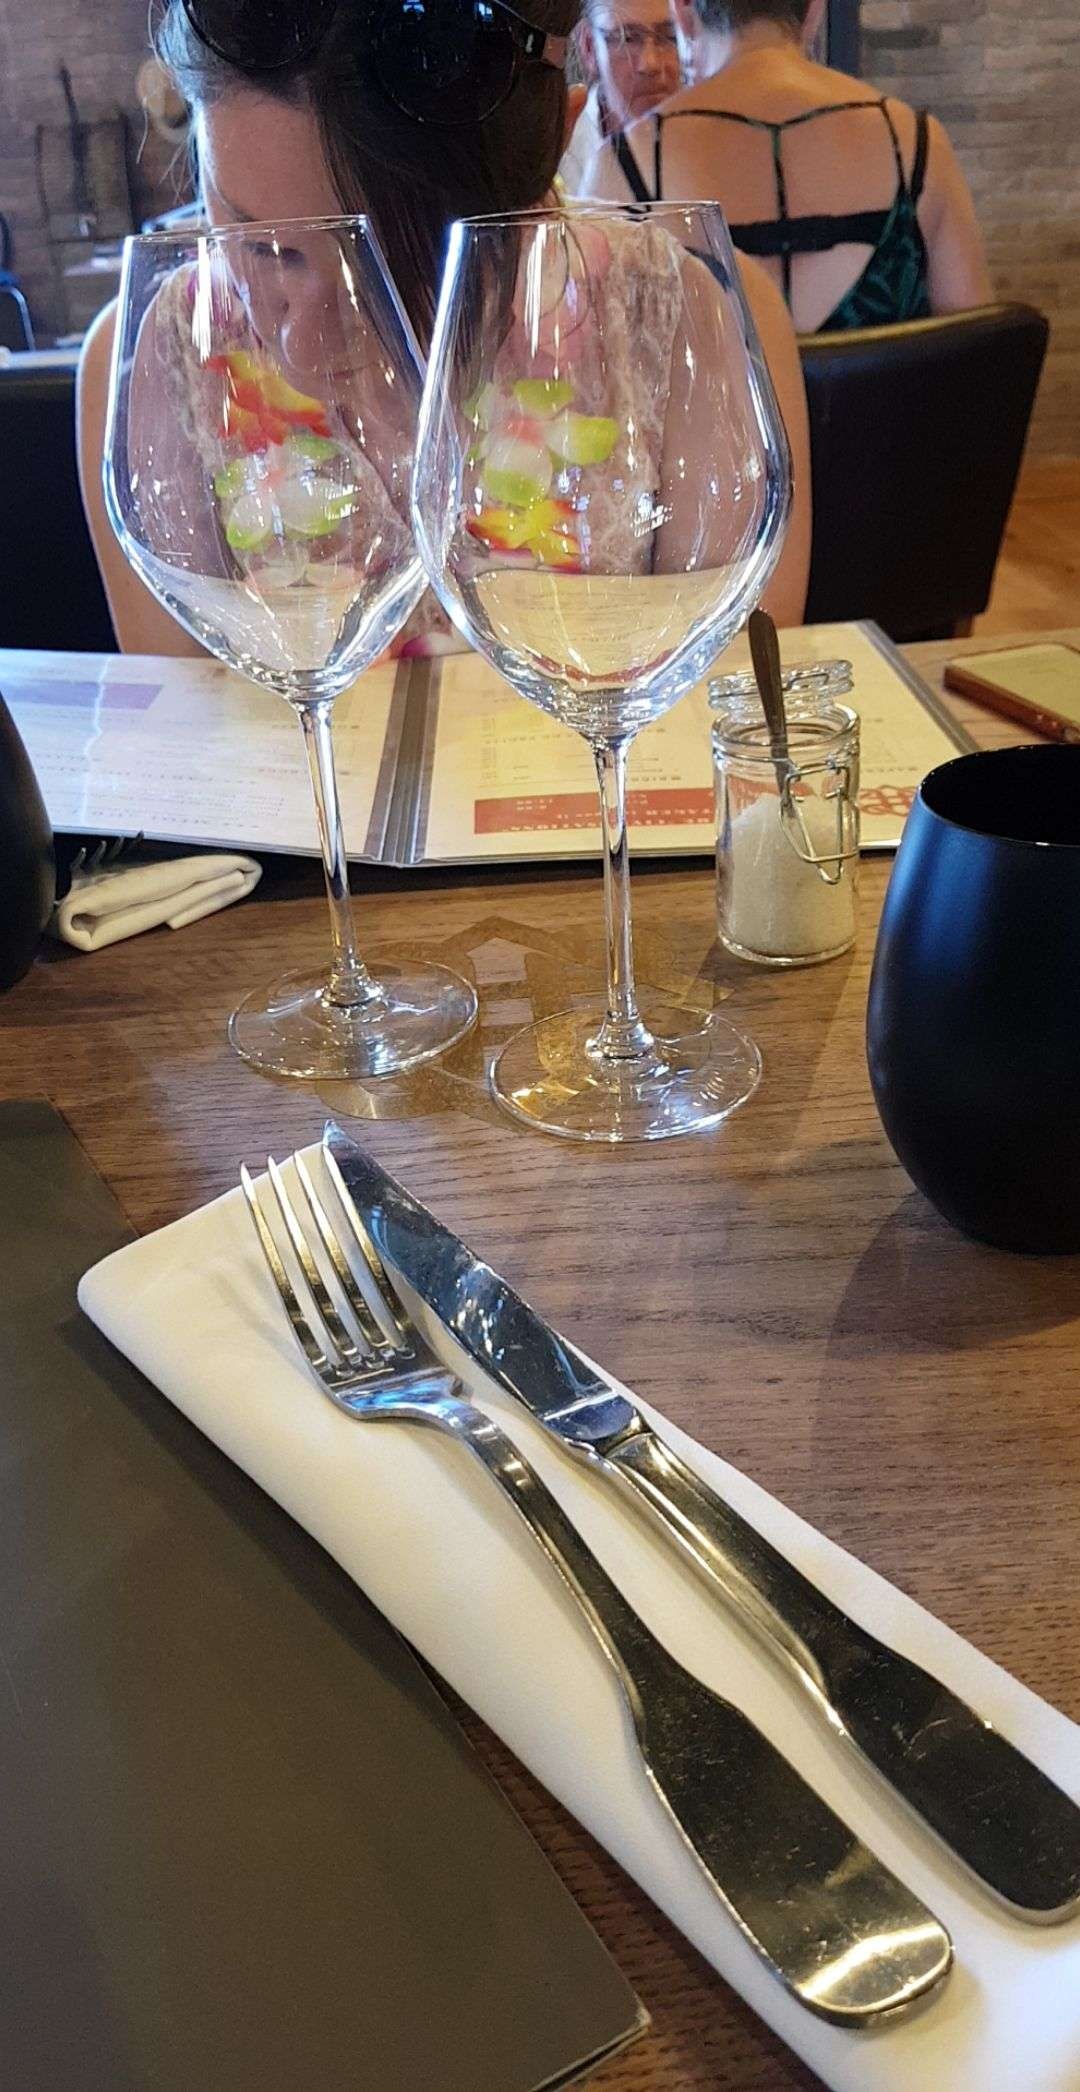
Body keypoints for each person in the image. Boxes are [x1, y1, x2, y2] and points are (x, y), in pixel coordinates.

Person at [78, 0, 811, 653]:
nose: (302, 346)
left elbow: (736, 699)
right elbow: (186, 734)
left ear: (558, 139)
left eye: (401, 272)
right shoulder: (152, 358)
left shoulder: (683, 320)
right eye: (263, 247)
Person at [575, 0, 991, 334]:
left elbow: (596, 385)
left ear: (683, 9)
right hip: (894, 421)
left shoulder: (622, 163)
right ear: (815, 8)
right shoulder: (917, 144)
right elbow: (979, 362)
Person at [558, 0, 680, 194]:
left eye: (671, 36)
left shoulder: (718, 140)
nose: (650, 64)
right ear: (589, 46)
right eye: (627, 39)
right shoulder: (556, 158)